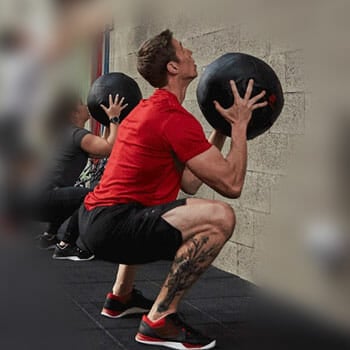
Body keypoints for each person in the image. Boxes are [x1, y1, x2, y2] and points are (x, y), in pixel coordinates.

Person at [76, 29, 267, 349]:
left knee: (145, 207)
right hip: (110, 224)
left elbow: (190, 183)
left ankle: (120, 297)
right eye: (182, 49)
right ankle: (159, 320)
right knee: (220, 217)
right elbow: (232, 185)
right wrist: (238, 126)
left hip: (97, 219)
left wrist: (219, 132)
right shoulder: (171, 117)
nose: (190, 52)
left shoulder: (152, 112)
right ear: (173, 68)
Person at [34, 92, 127, 261]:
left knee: (66, 194)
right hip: (44, 199)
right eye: (82, 104)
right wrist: (114, 118)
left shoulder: (66, 133)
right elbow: (110, 148)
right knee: (90, 196)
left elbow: (99, 151)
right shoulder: (77, 135)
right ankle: (66, 245)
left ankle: (49, 236)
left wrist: (107, 123)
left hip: (36, 201)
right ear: (74, 112)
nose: (86, 106)